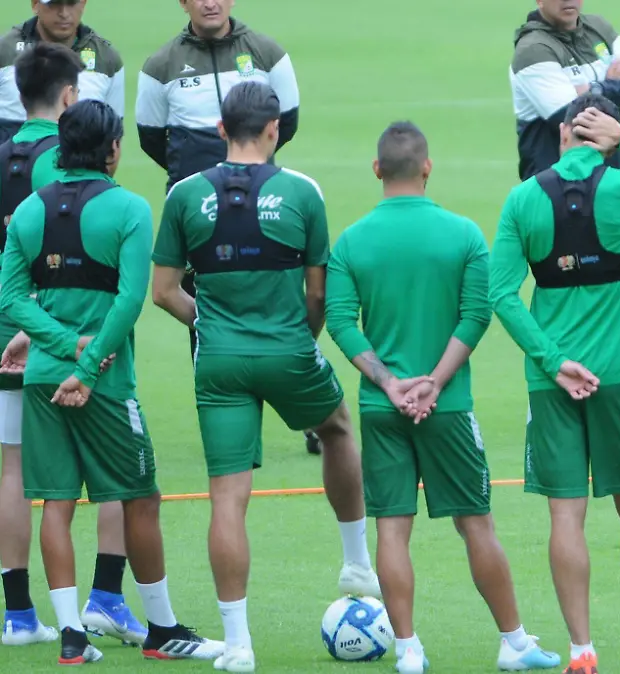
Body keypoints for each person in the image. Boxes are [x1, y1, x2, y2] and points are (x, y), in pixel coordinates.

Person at [149, 81, 377, 674]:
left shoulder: (183, 194)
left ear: (220, 130)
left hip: (218, 359)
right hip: (288, 349)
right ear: (274, 130)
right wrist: (301, 337)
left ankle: (240, 646)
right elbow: (318, 291)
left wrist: (207, 323)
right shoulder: (303, 192)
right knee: (337, 428)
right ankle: (356, 561)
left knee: (228, 498)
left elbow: (164, 292)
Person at [325, 120, 562, 674]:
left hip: (381, 409)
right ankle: (514, 642)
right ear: (426, 168)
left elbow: (340, 322)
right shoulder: (463, 234)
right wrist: (434, 381)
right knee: (476, 523)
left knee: (391, 528)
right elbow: (476, 315)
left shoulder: (353, 240)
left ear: (377, 170)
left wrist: (390, 383)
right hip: (448, 407)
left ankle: (407, 650)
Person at [0, 98, 224, 666]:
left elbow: (10, 301)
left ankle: (72, 634)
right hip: (104, 384)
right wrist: (89, 362)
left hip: (43, 382)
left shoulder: (29, 211)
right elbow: (128, 302)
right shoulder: (127, 208)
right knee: (140, 498)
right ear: (114, 150)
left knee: (55, 503)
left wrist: (62, 348)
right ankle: (162, 628)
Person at [490, 93, 620, 674]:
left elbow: (501, 295)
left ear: (561, 135)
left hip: (551, 383)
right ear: (606, 135)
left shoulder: (523, 199)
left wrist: (552, 360)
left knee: (566, 515)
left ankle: (582, 656)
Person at [0, 41, 145, 650]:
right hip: (62, 337)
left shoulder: (5, 154)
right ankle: (106, 598)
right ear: (70, 97)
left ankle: (20, 613)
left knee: (15, 471)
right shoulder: (55, 170)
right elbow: (69, 253)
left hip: (19, 329)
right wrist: (69, 342)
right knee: (113, 476)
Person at [134, 0, 318, 456]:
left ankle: (309, 409)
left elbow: (287, 120)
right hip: (199, 213)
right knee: (201, 305)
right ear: (183, 2)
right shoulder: (161, 65)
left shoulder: (266, 52)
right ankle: (224, 420)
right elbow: (151, 135)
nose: (209, 2)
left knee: (281, 299)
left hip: (262, 201)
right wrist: (194, 178)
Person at [509, 0, 620, 429]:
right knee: (557, 291)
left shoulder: (599, 29)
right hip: (553, 194)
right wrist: (608, 82)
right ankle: (548, 384)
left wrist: (594, 90)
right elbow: (569, 118)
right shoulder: (532, 50)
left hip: (607, 192)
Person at [0, 0, 125, 144]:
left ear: (83, 3)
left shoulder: (106, 59)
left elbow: (112, 134)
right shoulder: (5, 52)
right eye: (54, 4)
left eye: (71, 3)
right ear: (35, 4)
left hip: (79, 165)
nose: (64, 13)